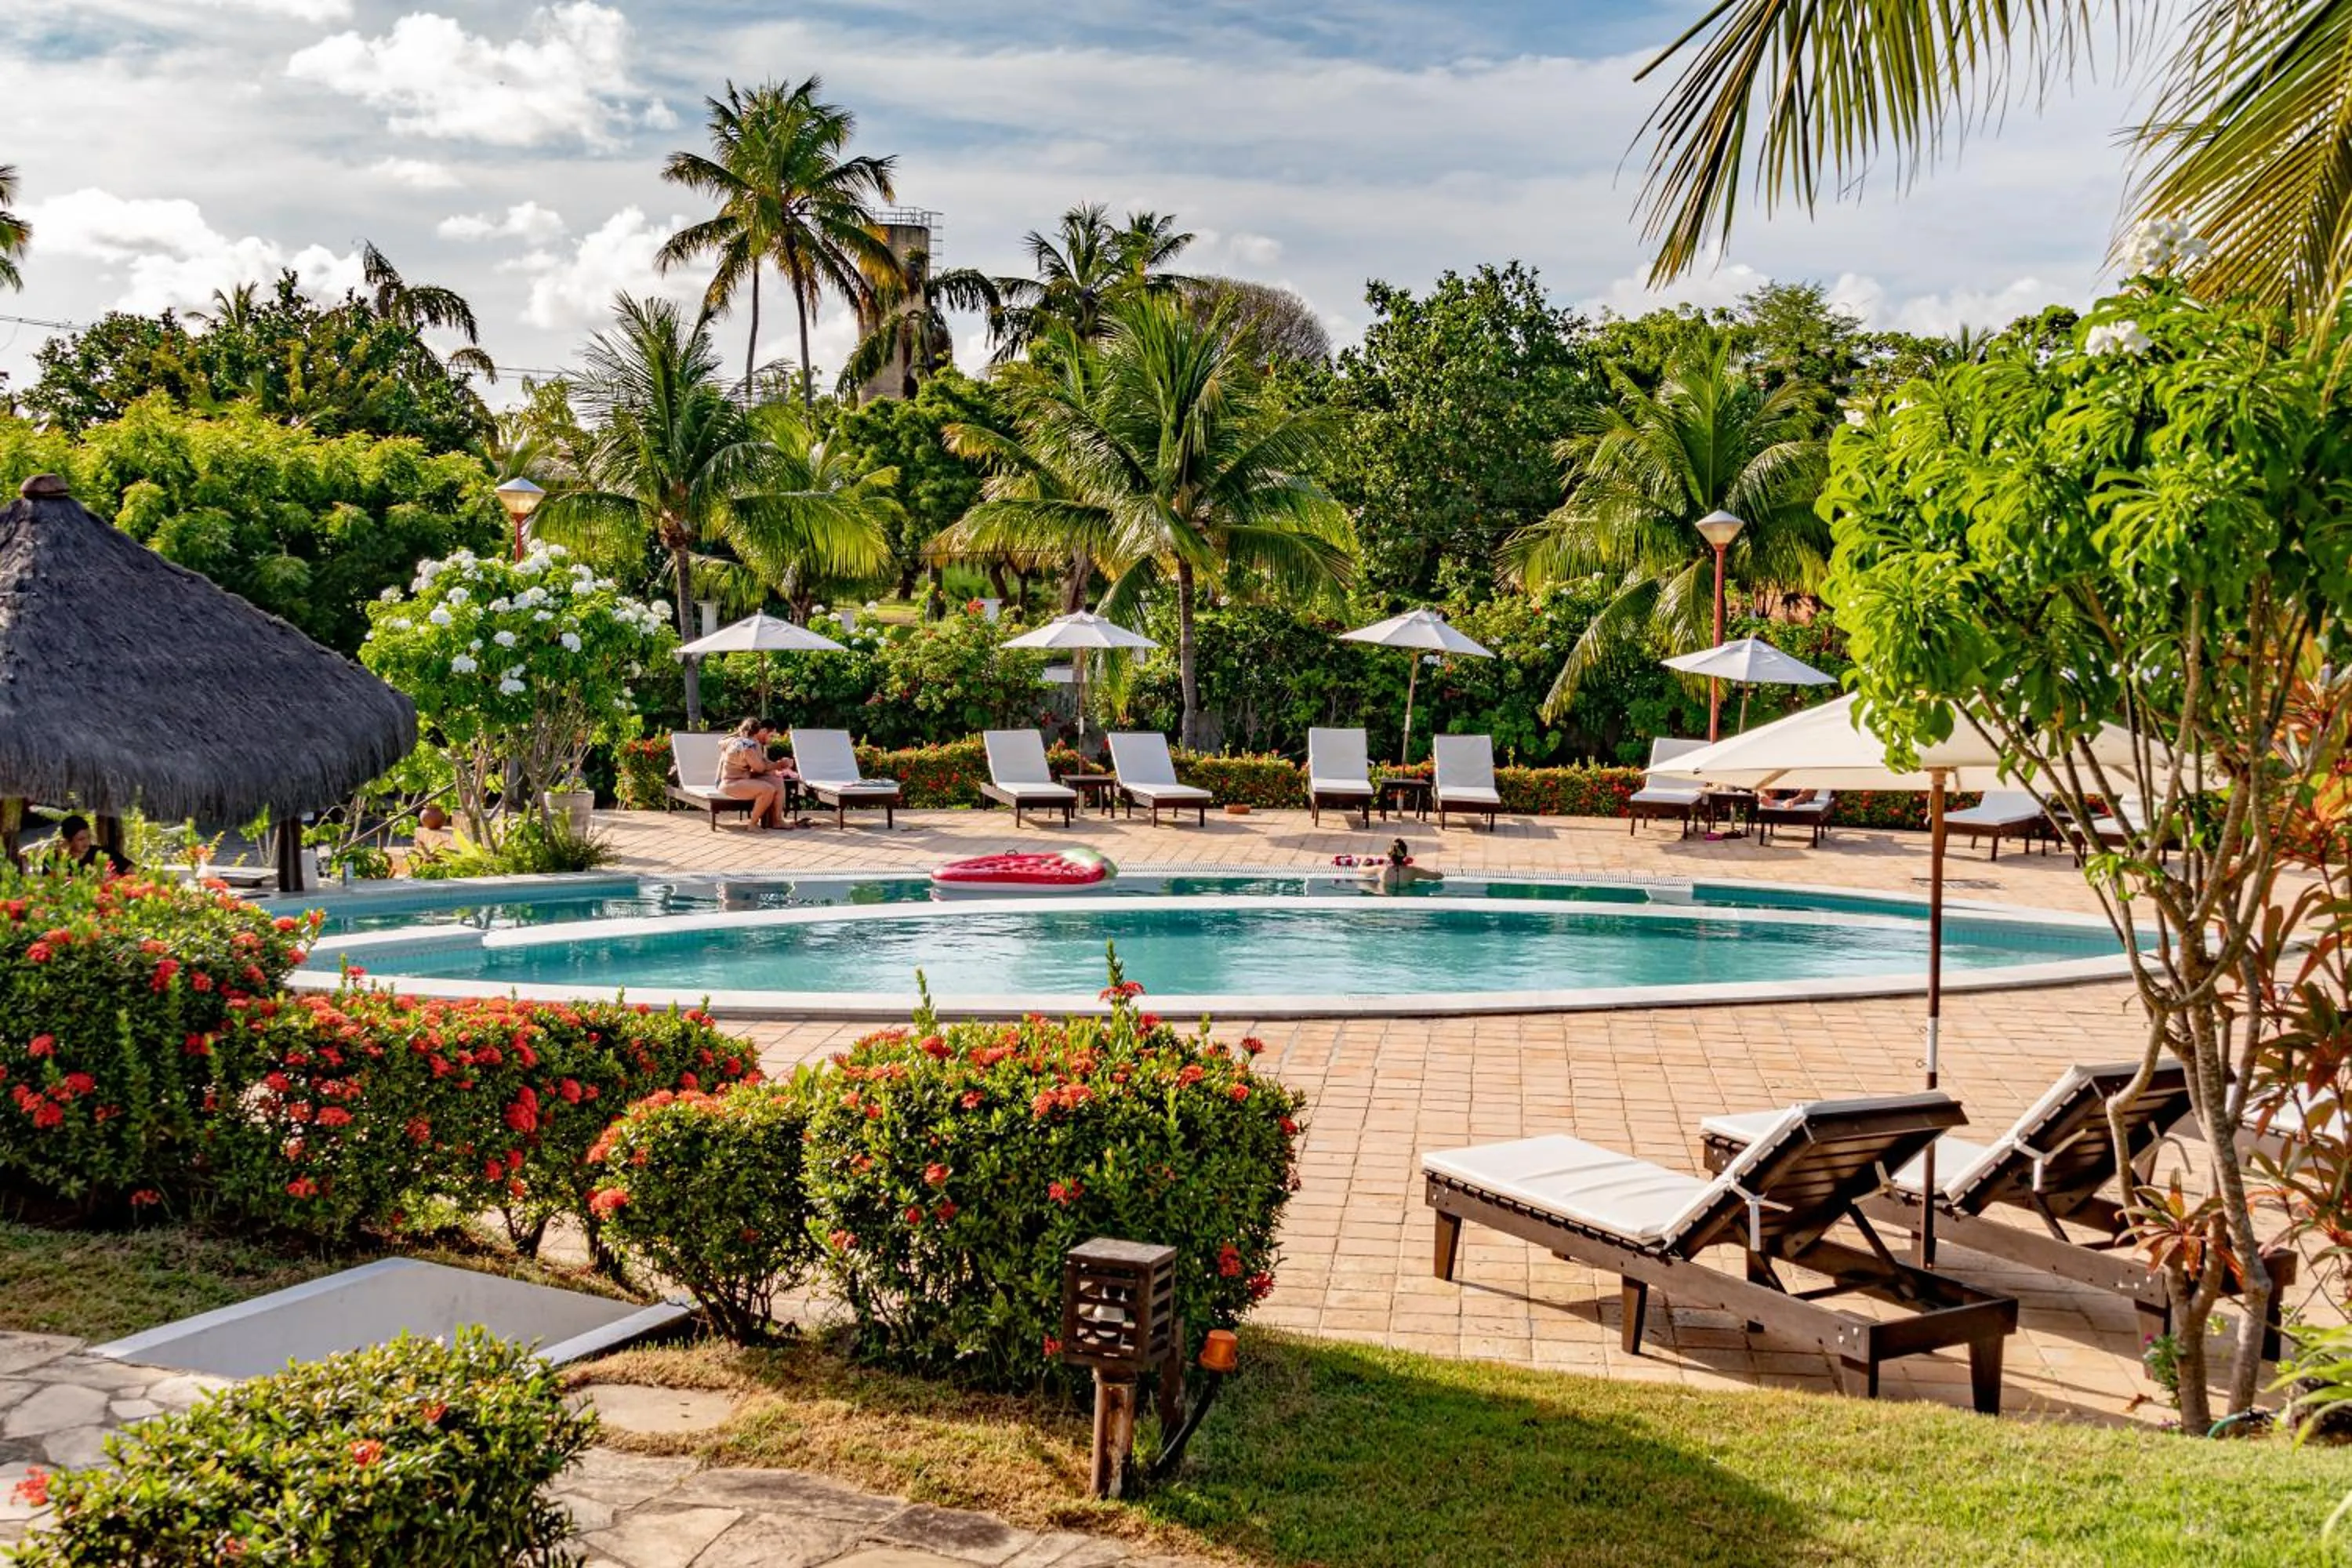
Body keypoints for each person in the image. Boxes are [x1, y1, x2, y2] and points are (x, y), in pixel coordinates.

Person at [717, 717, 796, 829]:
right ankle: (753, 824)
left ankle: (777, 820)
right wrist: (780, 764)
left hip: (744, 778)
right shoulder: (746, 746)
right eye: (772, 736)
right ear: (759, 731)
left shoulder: (751, 743)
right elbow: (759, 768)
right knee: (767, 789)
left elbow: (762, 763)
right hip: (731, 783)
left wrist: (777, 766)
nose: (772, 739)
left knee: (777, 781)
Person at [44, 815, 132, 877]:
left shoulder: (102, 853)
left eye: (88, 837)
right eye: (81, 839)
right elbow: (50, 886)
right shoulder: (52, 859)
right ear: (68, 841)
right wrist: (61, 858)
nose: (87, 843)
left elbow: (133, 870)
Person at [1355, 837, 1441, 895]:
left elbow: (1359, 870)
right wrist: (1417, 868)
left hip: (1385, 899)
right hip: (1406, 898)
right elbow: (1438, 876)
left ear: (1389, 855)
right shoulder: (1413, 871)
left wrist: (1362, 861)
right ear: (1405, 855)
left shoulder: (1380, 869)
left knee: (1368, 887)